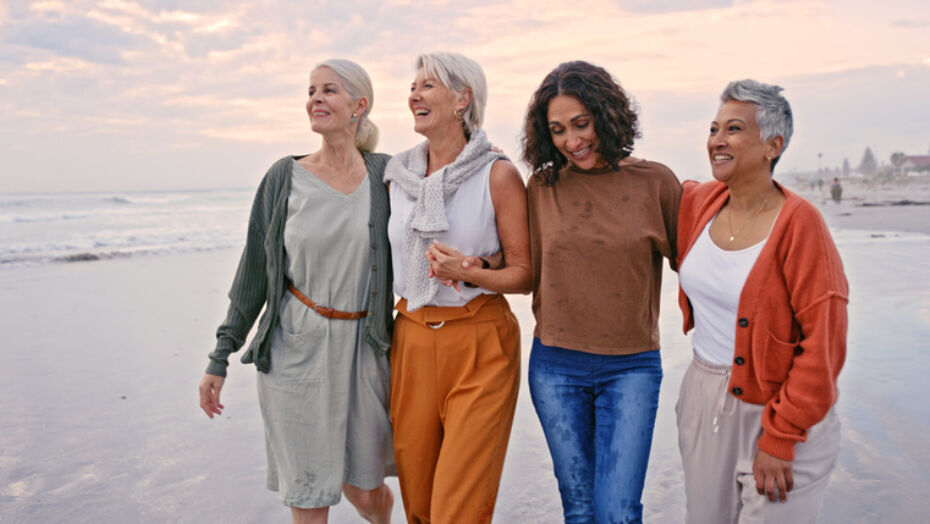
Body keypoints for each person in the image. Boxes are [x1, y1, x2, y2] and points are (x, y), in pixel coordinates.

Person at [197, 59, 395, 524]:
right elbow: (251, 276)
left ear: (358, 105)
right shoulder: (283, 177)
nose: (315, 99)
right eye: (311, 91)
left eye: (329, 90)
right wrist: (220, 355)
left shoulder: (387, 175)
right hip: (296, 349)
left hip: (367, 350)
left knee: (366, 492)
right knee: (309, 495)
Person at [676, 79, 847, 523]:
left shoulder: (800, 225)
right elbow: (633, 191)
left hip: (778, 408)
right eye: (714, 129)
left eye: (733, 129)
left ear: (773, 144)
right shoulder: (699, 203)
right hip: (704, 399)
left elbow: (824, 344)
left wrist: (781, 437)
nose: (717, 141)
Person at [521, 61, 681, 522]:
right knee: (580, 509)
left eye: (581, 124)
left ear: (606, 116)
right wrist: (473, 267)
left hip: (631, 367)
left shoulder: (655, 182)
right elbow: (526, 266)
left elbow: (697, 268)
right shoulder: (543, 187)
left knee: (617, 511)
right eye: (557, 130)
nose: (572, 141)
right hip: (554, 366)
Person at [384, 51, 532, 523]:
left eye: (428, 85)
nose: (414, 95)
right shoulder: (396, 177)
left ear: (462, 99)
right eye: (413, 85)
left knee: (460, 508)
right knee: (421, 506)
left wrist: (470, 273)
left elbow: (524, 274)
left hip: (479, 342)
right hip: (409, 337)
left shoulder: (498, 173)